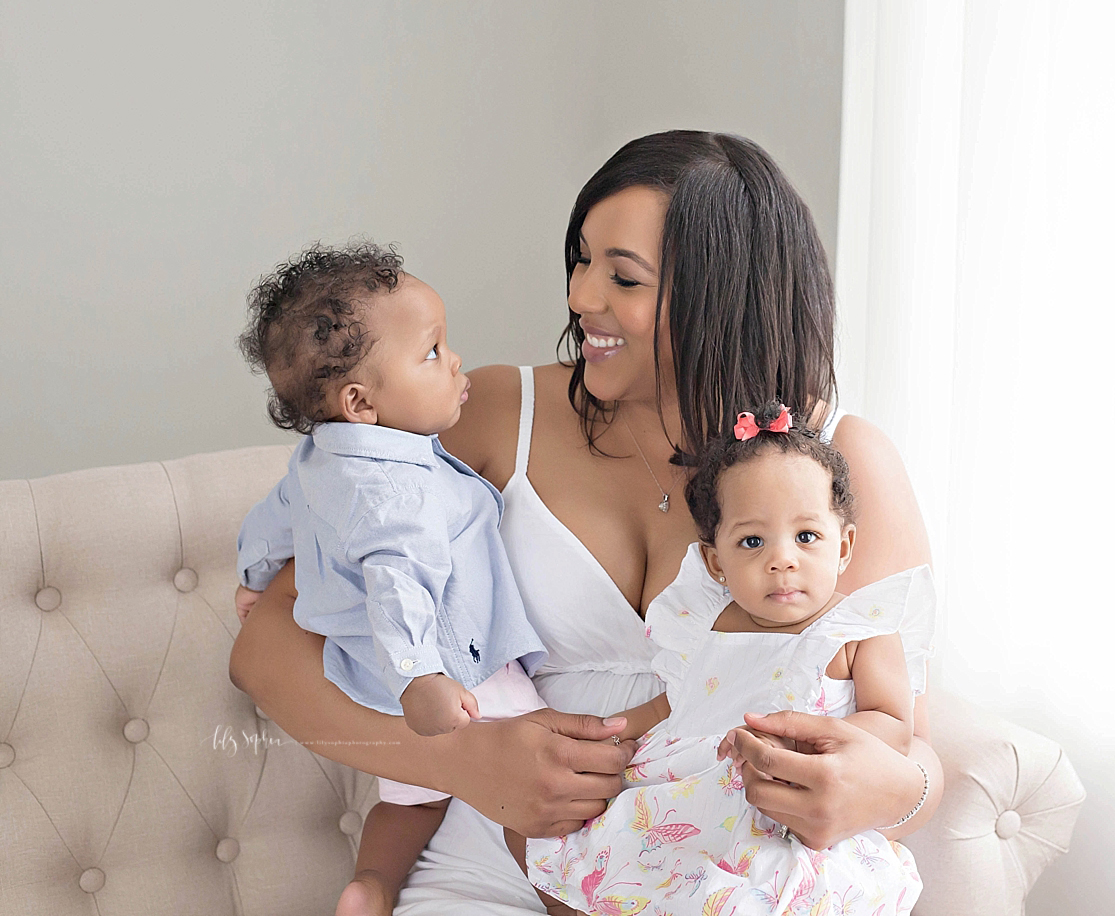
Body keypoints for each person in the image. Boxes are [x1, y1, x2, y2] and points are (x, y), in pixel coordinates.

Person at [229, 131, 944, 915]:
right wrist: (463, 763)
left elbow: (910, 748)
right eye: (581, 259)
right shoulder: (496, 417)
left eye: (622, 276)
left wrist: (886, 792)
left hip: (713, 876)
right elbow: (267, 650)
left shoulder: (842, 466)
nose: (579, 296)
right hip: (494, 866)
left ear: (720, 297)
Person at [231, 243, 558, 915]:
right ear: (361, 401)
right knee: (543, 795)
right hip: (449, 668)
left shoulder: (318, 460)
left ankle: (373, 883)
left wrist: (253, 577)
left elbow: (273, 521)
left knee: (408, 802)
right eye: (433, 352)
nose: (456, 360)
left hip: (363, 672)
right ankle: (560, 896)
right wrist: (420, 680)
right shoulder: (396, 497)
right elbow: (398, 587)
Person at [526, 402, 934, 916]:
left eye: (806, 537)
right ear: (717, 562)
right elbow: (672, 705)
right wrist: (606, 732)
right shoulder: (703, 626)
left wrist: (808, 744)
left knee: (754, 891)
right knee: (582, 853)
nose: (781, 558)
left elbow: (895, 725)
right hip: (687, 796)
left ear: (844, 546)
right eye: (752, 540)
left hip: (784, 803)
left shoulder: (859, 630)